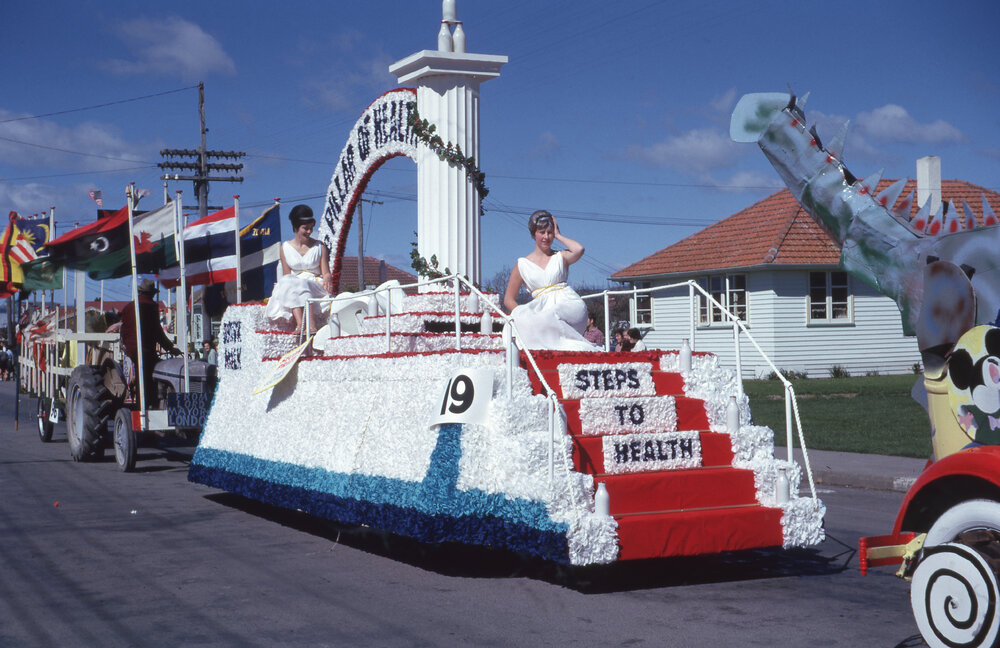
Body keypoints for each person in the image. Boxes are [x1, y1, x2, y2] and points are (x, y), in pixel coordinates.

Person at [503, 210, 598, 351]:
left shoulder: (561, 256)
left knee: (547, 318)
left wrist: (559, 235)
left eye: (550, 232)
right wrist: (523, 316)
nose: (546, 237)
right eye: (542, 232)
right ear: (533, 233)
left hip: (568, 305)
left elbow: (579, 249)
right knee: (536, 320)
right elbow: (508, 300)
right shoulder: (522, 264)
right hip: (543, 312)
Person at [265, 204, 333, 334]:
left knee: (300, 282)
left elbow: (326, 273)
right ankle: (301, 324)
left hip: (314, 285)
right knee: (290, 282)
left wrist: (328, 278)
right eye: (305, 228)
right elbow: (286, 276)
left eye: (311, 228)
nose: (309, 232)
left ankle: (311, 324)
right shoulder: (285, 248)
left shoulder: (320, 246)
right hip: (294, 287)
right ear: (296, 228)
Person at [121, 278, 180, 404]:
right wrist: (170, 348)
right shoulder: (151, 306)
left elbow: (124, 329)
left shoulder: (128, 307)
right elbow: (157, 331)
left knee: (142, 374)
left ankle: (142, 402)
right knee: (152, 375)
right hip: (146, 349)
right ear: (152, 293)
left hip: (132, 350)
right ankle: (150, 403)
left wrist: (126, 345)